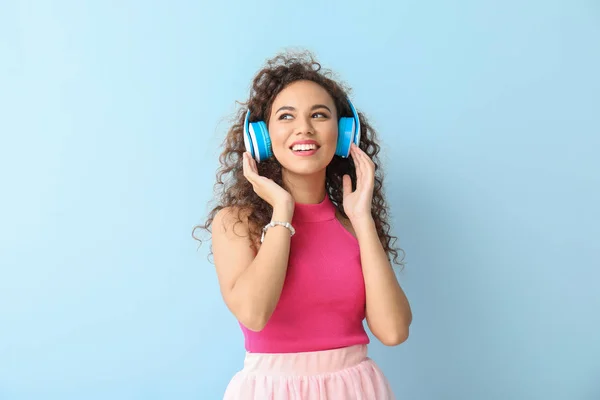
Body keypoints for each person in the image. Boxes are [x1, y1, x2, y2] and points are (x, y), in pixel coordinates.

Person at [195, 51, 412, 399]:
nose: (304, 128)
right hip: (272, 391)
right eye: (286, 116)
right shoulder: (237, 222)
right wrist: (283, 208)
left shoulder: (355, 224)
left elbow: (393, 331)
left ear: (344, 133)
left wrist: (362, 219)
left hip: (356, 389)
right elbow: (254, 313)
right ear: (262, 136)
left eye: (319, 115)